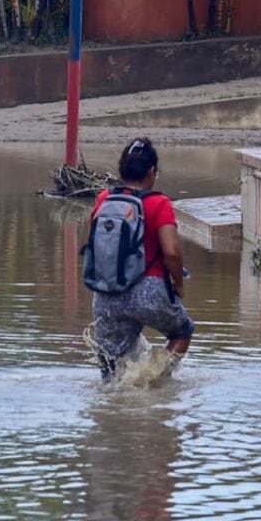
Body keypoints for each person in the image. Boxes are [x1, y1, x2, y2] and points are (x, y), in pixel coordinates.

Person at [89, 138, 193, 379]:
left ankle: (114, 397)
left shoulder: (104, 198)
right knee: (182, 332)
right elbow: (171, 252)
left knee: (110, 364)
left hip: (107, 292)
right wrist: (178, 283)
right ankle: (153, 383)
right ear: (152, 171)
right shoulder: (159, 203)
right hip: (150, 292)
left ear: (122, 170)